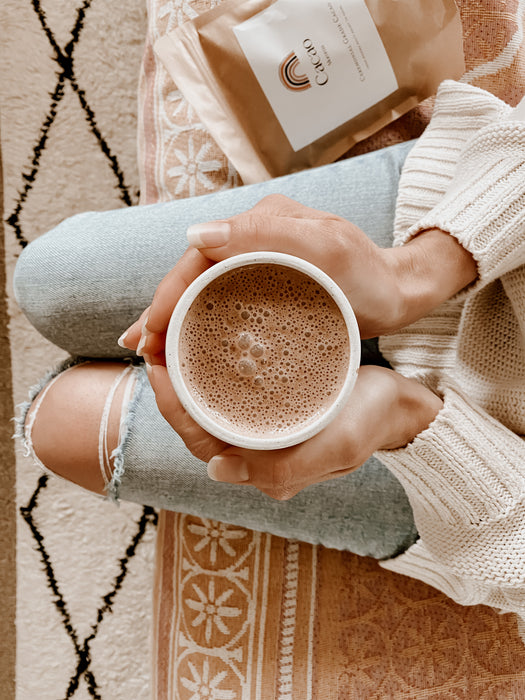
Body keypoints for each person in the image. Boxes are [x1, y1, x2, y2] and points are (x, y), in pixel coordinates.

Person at [13, 80, 525, 620]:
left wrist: (406, 419)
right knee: (52, 280)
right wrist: (419, 270)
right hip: (480, 237)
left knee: (62, 426)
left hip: (489, 477)